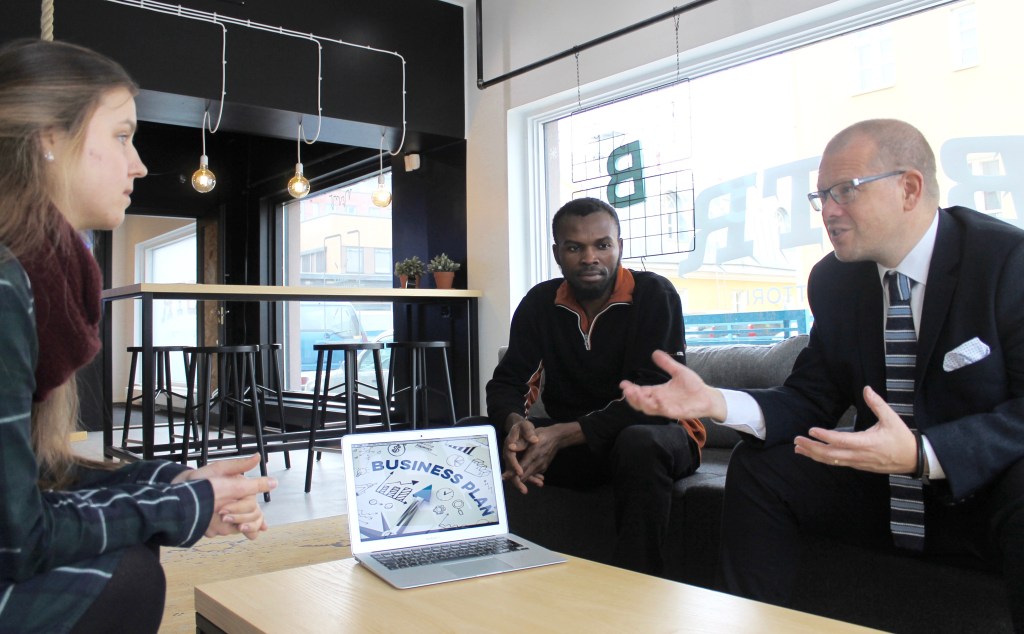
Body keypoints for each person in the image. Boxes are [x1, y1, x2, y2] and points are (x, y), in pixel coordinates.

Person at [621, 119, 1024, 628]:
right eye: (821, 196)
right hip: (878, 489)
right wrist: (718, 403)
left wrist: (923, 453)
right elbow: (810, 397)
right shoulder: (836, 280)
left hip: (980, 492)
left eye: (845, 191)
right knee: (762, 466)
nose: (828, 211)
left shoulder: (1006, 261)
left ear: (909, 188)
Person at [0, 39, 276, 633]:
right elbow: (18, 536)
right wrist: (180, 505)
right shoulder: (6, 284)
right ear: (49, 140)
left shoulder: (34, 275)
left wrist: (176, 482)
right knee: (128, 573)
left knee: (128, 561)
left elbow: (31, 479)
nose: (140, 165)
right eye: (122, 136)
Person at [478, 197, 705, 576]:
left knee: (639, 442)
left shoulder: (654, 295)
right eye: (574, 247)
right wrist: (516, 424)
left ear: (620, 246)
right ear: (557, 253)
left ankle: (639, 584)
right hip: (580, 445)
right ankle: (463, 562)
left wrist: (563, 435)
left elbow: (657, 399)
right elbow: (507, 381)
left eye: (602, 245)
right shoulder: (540, 303)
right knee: (474, 435)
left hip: (659, 435)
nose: (589, 257)